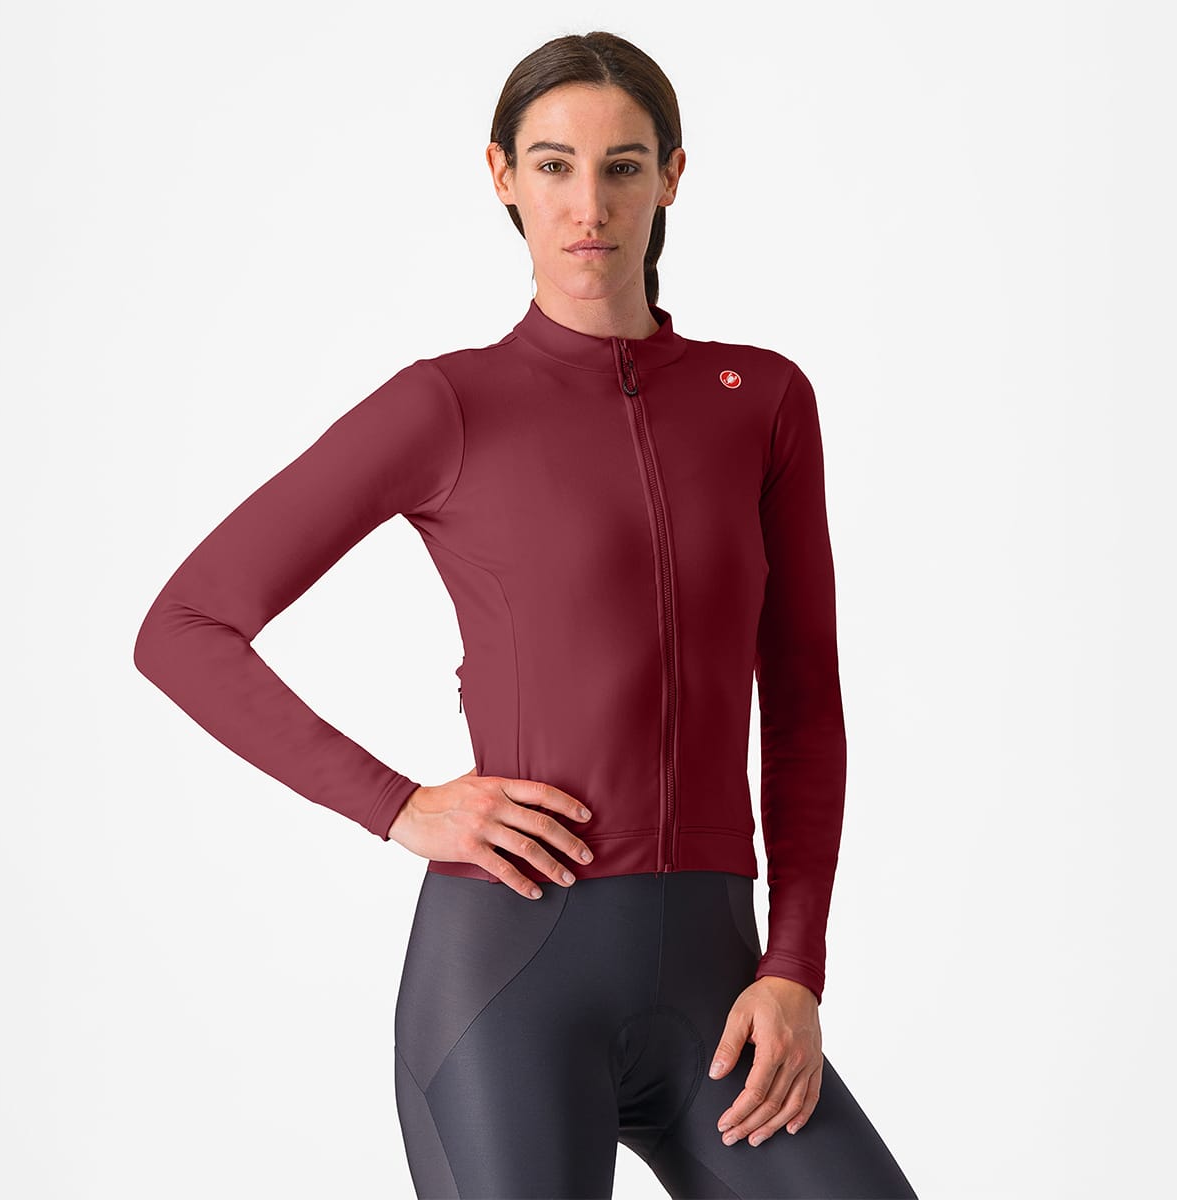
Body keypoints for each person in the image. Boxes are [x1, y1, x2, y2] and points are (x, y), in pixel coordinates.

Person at [133, 29, 918, 1200]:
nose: (588, 205)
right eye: (554, 165)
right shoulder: (450, 405)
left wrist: (795, 965)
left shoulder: (760, 400)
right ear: (502, 174)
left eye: (622, 166)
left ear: (672, 176)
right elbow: (185, 626)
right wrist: (399, 805)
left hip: (727, 992)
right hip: (509, 988)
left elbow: (804, 703)